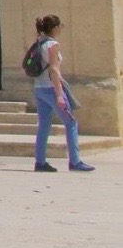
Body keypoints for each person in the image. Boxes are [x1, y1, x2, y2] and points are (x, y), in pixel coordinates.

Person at [29, 14, 96, 173]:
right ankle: (75, 161)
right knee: (71, 123)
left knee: (44, 125)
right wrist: (59, 94)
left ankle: (40, 162)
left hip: (39, 88)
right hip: (52, 88)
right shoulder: (52, 44)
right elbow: (54, 69)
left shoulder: (39, 42)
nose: (61, 28)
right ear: (54, 28)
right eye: (60, 25)